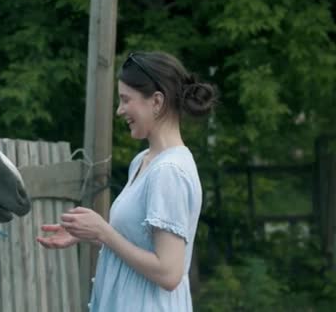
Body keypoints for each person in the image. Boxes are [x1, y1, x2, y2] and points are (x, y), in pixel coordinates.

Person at [36, 51, 217, 311]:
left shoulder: (169, 171)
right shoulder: (144, 161)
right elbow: (138, 244)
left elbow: (168, 273)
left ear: (156, 101)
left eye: (125, 100)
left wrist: (105, 232)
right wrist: (90, 234)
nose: (120, 110)